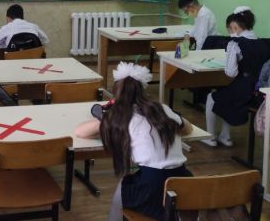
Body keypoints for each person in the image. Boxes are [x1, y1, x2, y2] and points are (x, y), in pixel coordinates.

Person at [75, 62, 193, 221]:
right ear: (142, 90)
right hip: (182, 178)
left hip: (152, 186)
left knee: (120, 195)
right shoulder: (162, 108)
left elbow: (80, 131)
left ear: (116, 93)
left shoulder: (121, 116)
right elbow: (188, 129)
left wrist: (106, 117)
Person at [202, 6, 265, 147]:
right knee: (228, 94)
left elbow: (231, 73)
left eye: (230, 29)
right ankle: (225, 136)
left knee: (212, 97)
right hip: (259, 91)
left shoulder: (235, 44)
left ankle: (210, 137)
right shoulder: (264, 42)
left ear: (234, 27)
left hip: (244, 90)